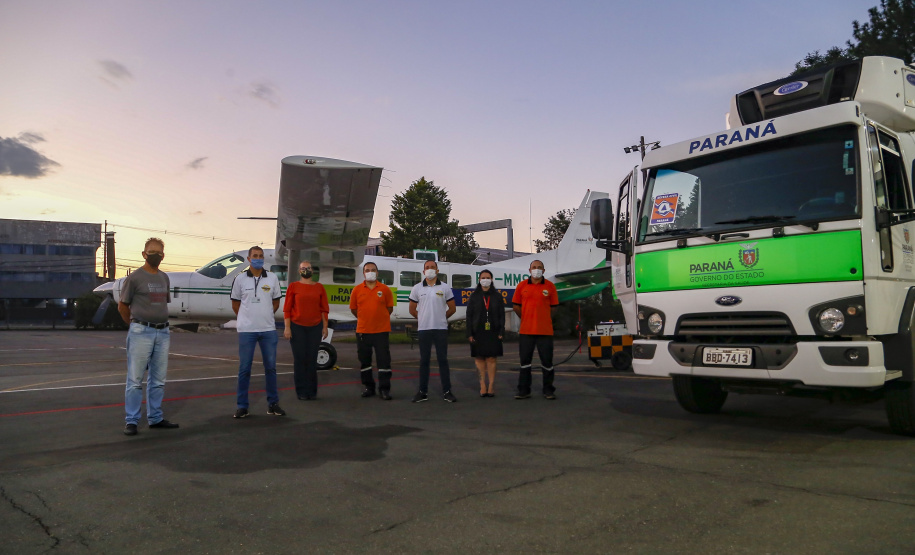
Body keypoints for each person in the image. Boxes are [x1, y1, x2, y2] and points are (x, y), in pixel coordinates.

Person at [118, 237, 179, 436]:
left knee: (158, 379)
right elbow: (123, 306)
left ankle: (155, 418)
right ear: (144, 254)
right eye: (151, 252)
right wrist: (135, 326)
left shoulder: (164, 278)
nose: (155, 256)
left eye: (159, 253)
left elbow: (161, 304)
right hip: (141, 331)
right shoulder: (134, 278)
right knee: (135, 379)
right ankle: (132, 421)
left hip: (162, 332)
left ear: (163, 255)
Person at [230, 246, 285, 418]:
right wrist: (247, 318)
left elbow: (276, 302)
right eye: (255, 256)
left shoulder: (273, 278)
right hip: (247, 331)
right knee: (244, 369)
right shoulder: (239, 279)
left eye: (261, 256)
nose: (258, 258)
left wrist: (265, 314)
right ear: (249, 259)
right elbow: (235, 304)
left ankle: (273, 404)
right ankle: (242, 406)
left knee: (271, 368)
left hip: (268, 330)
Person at [408, 259, 457, 403]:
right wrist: (422, 318)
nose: (430, 269)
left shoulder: (445, 287)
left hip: (441, 329)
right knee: (424, 361)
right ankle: (422, 392)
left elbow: (452, 308)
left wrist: (441, 317)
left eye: (432, 267)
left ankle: (447, 392)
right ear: (423, 271)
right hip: (424, 329)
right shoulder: (417, 288)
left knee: (443, 360)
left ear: (437, 270)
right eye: (427, 267)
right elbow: (412, 310)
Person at [512, 259, 559, 400]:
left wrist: (544, 318)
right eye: (534, 267)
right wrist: (526, 317)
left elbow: (554, 307)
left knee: (547, 363)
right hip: (526, 331)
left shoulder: (550, 287)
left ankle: (548, 390)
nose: (536, 269)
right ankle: (524, 391)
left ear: (544, 271)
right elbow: (516, 306)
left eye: (539, 267)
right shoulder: (521, 286)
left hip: (545, 331)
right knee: (525, 362)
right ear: (529, 270)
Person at [284, 259, 329, 400]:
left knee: (311, 359)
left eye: (308, 268)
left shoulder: (319, 287)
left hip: (315, 327)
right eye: (303, 268)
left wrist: (325, 327)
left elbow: (324, 309)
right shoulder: (293, 286)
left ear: (312, 270)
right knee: (300, 359)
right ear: (299, 271)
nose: (305, 270)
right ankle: (301, 391)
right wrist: (287, 327)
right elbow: (287, 309)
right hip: (297, 327)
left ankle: (312, 391)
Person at [349, 262, 395, 400]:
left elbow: (389, 309)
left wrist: (378, 318)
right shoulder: (357, 290)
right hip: (363, 331)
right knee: (365, 361)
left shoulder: (385, 289)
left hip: (381, 331)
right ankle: (369, 387)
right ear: (363, 273)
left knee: (384, 361)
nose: (370, 272)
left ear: (377, 273)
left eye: (373, 270)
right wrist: (365, 319)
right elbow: (354, 309)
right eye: (367, 270)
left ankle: (384, 389)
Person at [466, 269, 505, 397]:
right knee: (479, 358)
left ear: (492, 279)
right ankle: (482, 385)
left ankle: (491, 385)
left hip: (493, 331)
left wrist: (501, 331)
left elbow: (501, 315)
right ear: (479, 280)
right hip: (478, 331)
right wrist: (469, 333)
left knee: (492, 358)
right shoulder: (474, 296)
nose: (485, 279)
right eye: (483, 277)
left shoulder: (497, 296)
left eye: (488, 277)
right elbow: (469, 316)